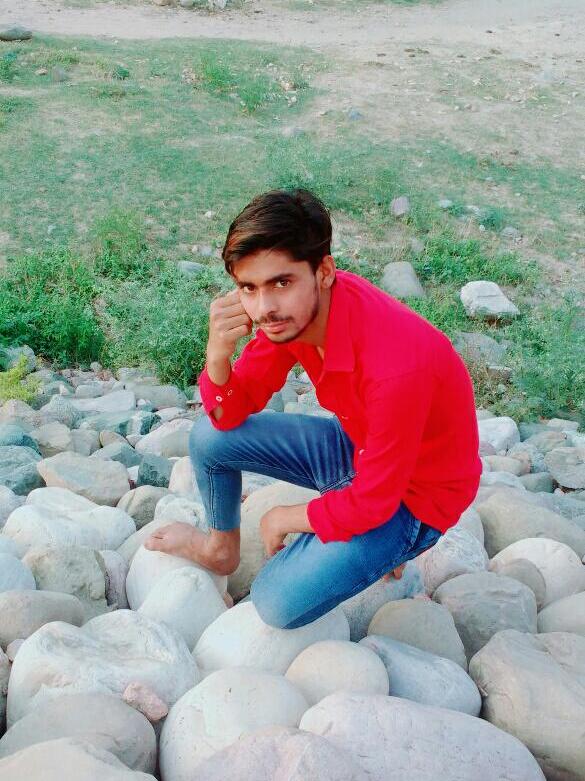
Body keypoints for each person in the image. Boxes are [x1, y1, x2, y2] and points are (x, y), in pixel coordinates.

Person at [145, 188, 482, 629]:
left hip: (413, 499)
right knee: (210, 437)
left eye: (281, 283)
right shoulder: (292, 317)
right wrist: (217, 357)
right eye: (249, 288)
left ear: (324, 271)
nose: (264, 308)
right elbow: (230, 413)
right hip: (360, 446)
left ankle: (397, 548)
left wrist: (288, 516)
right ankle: (219, 549)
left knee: (275, 602)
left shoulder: (395, 365)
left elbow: (375, 501)